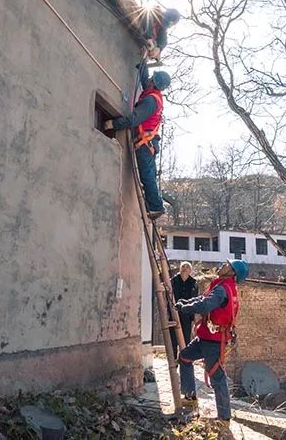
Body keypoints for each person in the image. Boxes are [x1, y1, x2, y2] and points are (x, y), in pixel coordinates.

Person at [175, 259, 249, 426]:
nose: (222, 266)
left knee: (217, 378)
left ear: (232, 272)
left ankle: (224, 418)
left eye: (227, 265)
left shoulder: (223, 289)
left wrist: (185, 308)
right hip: (206, 336)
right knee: (185, 357)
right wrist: (186, 302)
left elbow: (205, 305)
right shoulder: (221, 285)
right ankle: (190, 397)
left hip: (214, 341)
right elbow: (203, 298)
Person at [103, 62, 169, 220]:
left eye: (152, 79)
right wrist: (142, 63)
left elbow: (133, 119)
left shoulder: (151, 101)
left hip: (145, 144)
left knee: (147, 176)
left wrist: (113, 124)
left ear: (154, 83)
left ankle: (156, 207)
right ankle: (154, 205)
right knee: (148, 175)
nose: (149, 79)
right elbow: (145, 80)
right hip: (148, 142)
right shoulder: (152, 92)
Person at [170, 261, 199, 355]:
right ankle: (173, 357)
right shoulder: (173, 281)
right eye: (183, 266)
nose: (185, 268)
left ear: (190, 270)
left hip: (187, 313)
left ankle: (184, 357)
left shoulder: (193, 282)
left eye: (187, 267)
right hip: (174, 311)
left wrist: (193, 315)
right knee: (173, 337)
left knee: (186, 336)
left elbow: (195, 298)